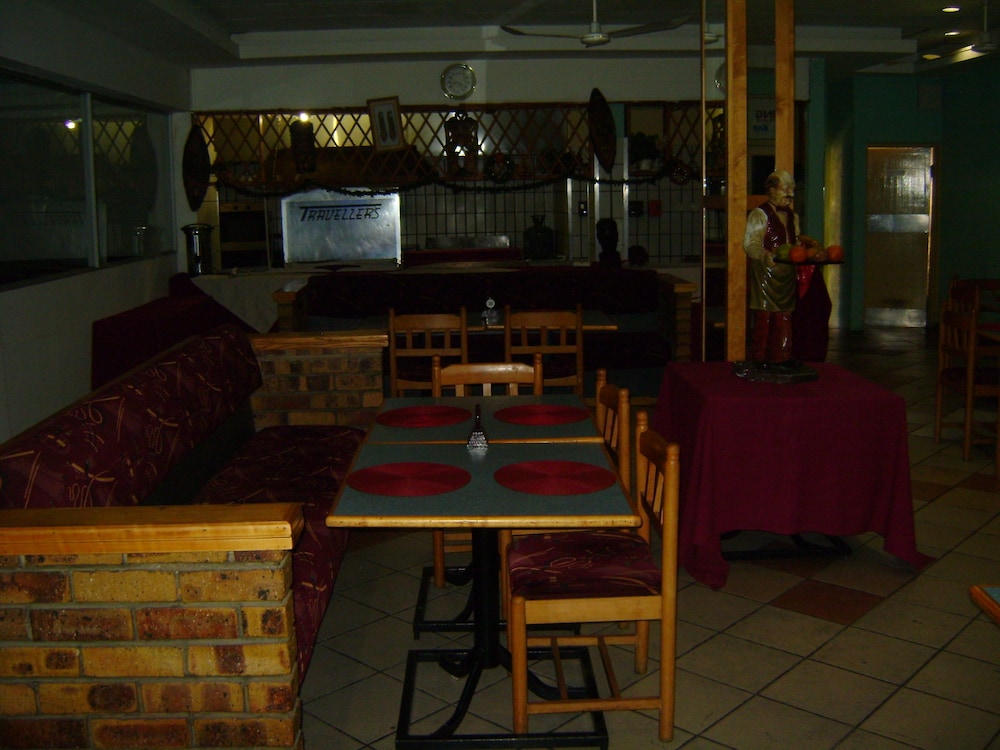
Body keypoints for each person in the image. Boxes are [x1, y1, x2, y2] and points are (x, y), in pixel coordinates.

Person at [742, 170, 823, 362]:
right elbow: (750, 244)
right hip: (765, 274)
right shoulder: (759, 215)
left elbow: (794, 241)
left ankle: (783, 357)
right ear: (771, 189)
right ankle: (759, 358)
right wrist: (764, 254)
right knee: (764, 316)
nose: (791, 194)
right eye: (785, 189)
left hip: (786, 274)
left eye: (792, 189)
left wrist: (807, 249)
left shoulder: (792, 216)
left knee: (785, 316)